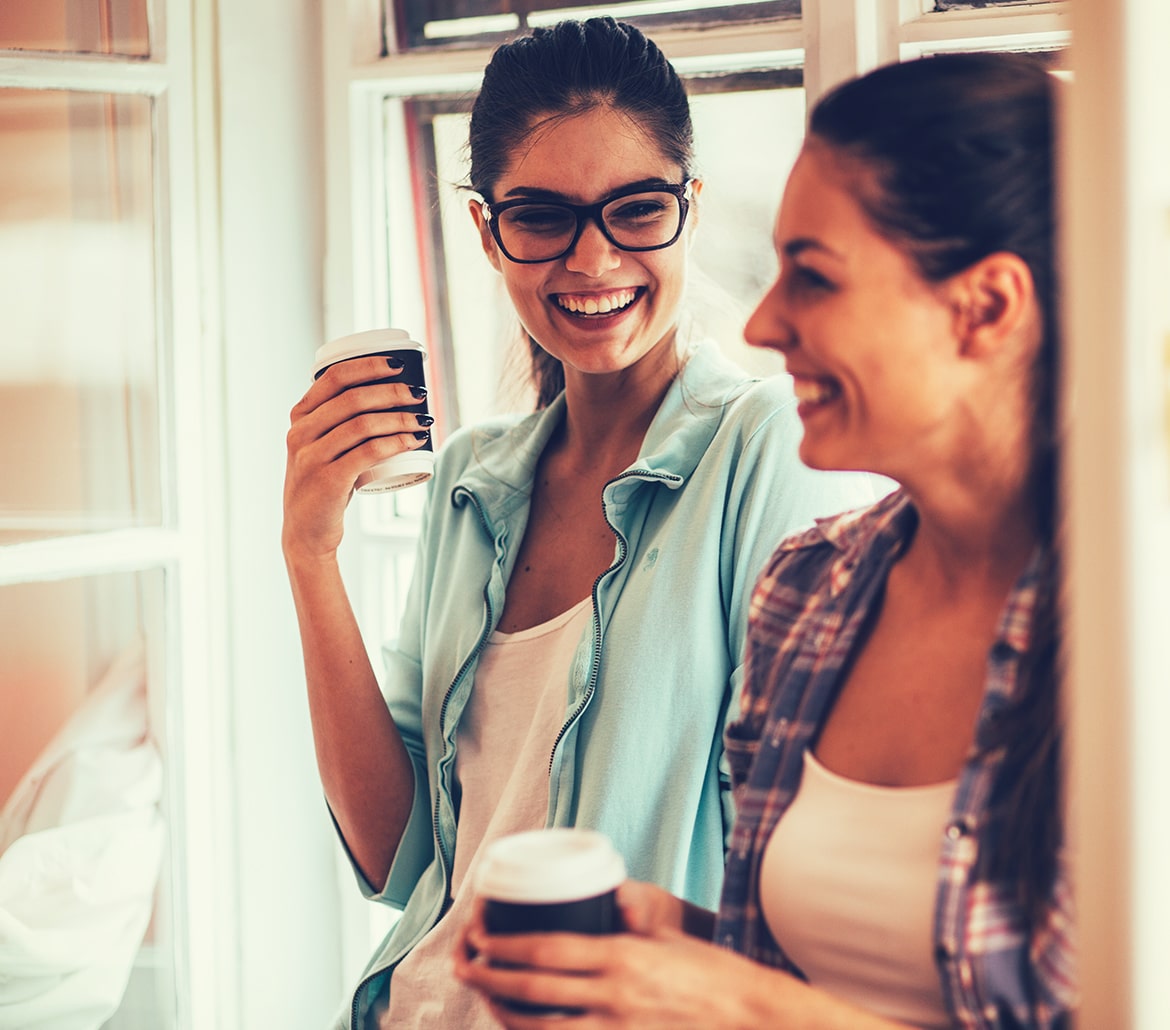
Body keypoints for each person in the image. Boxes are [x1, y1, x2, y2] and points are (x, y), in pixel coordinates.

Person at [455, 51, 1076, 1029]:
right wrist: (681, 944)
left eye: (815, 278)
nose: (763, 320)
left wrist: (735, 1001)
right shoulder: (816, 590)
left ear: (985, 307)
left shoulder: (1131, 633)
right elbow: (821, 977)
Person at [282, 17, 876, 1029]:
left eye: (636, 209)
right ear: (486, 231)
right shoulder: (472, 478)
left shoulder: (769, 449)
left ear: (686, 207)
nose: (592, 258)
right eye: (543, 217)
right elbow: (399, 858)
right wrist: (310, 554)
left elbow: (810, 867)